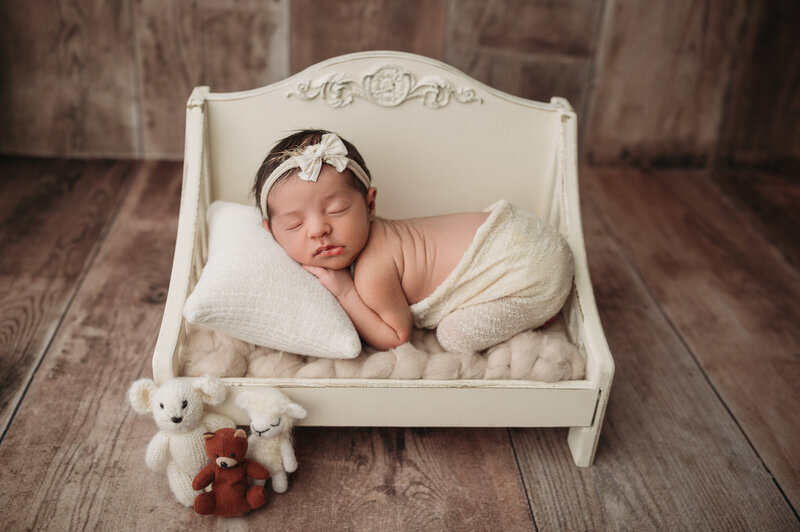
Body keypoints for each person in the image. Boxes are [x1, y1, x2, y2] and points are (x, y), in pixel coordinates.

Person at [252, 129, 574, 353]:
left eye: (336, 210)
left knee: (453, 338)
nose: (318, 229)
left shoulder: (373, 268)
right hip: (523, 234)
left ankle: (535, 309)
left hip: (530, 266)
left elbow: (396, 337)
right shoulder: (381, 240)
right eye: (295, 224)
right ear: (270, 232)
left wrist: (345, 291)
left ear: (370, 205)